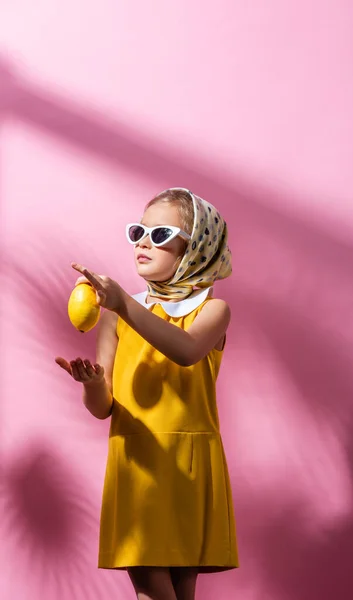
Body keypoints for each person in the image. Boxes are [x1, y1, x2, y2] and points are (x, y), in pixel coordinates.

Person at [56, 187, 239, 600]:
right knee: (151, 588)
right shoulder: (115, 318)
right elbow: (104, 408)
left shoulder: (213, 309)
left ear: (198, 248)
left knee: (178, 589)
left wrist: (122, 304)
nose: (142, 241)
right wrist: (90, 385)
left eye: (159, 234)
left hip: (189, 462)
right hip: (136, 462)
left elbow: (186, 351)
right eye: (139, 230)